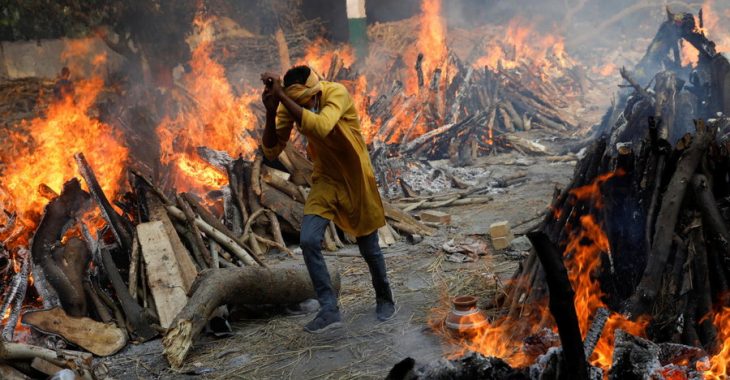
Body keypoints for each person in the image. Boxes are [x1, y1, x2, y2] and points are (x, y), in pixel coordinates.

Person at [260, 66, 395, 333]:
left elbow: (321, 126)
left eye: (306, 100)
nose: (305, 106)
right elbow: (272, 150)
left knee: (369, 246)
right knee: (309, 239)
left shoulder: (336, 92)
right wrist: (271, 109)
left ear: (315, 90)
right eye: (298, 102)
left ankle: (384, 297)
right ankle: (329, 309)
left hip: (355, 176)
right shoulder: (291, 104)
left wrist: (284, 97)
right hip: (326, 179)